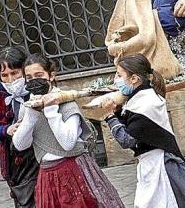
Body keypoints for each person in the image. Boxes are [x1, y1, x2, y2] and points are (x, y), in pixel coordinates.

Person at [12, 53, 123, 208]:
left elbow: (67, 143)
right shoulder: (29, 108)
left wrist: (51, 111)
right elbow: (20, 145)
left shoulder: (67, 104)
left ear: (50, 76)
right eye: (29, 77)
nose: (34, 80)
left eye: (39, 75)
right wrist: (31, 114)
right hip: (46, 175)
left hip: (73, 172)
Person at [104, 54, 185, 208]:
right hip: (151, 164)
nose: (115, 80)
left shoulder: (146, 103)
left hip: (162, 166)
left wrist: (110, 116)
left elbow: (127, 140)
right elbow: (132, 126)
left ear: (134, 79)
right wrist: (117, 112)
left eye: (119, 75)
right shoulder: (139, 98)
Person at [0, 48, 39, 208]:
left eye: (15, 73)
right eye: (5, 75)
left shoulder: (36, 87)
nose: (10, 80)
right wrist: (7, 129)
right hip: (16, 163)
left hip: (39, 154)